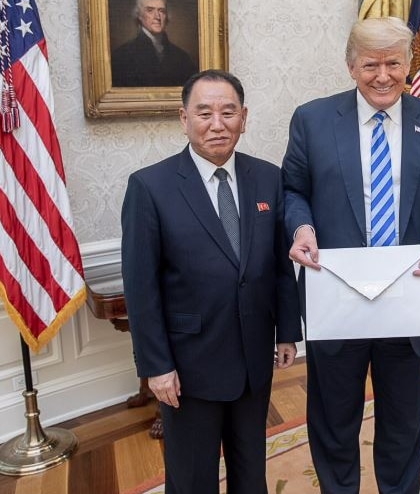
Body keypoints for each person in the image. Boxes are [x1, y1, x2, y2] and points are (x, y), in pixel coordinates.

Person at [281, 16, 420, 493]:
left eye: (393, 63)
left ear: (409, 64)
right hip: (335, 297)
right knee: (333, 420)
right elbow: (292, 190)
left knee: (404, 421)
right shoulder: (312, 119)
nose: (383, 75)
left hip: (407, 297)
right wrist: (302, 228)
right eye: (371, 65)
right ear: (351, 66)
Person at [121, 69, 302, 494]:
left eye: (228, 112)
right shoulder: (151, 187)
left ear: (244, 117)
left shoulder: (268, 178)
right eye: (204, 113)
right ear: (184, 119)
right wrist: (156, 366)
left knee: (250, 471)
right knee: (192, 479)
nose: (217, 124)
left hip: (253, 360)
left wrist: (287, 333)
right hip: (188, 367)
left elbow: (279, 265)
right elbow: (141, 286)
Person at [111, 0, 198, 87]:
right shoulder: (122, 56)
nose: (157, 17)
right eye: (150, 10)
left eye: (161, 11)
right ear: (139, 15)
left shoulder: (182, 57)